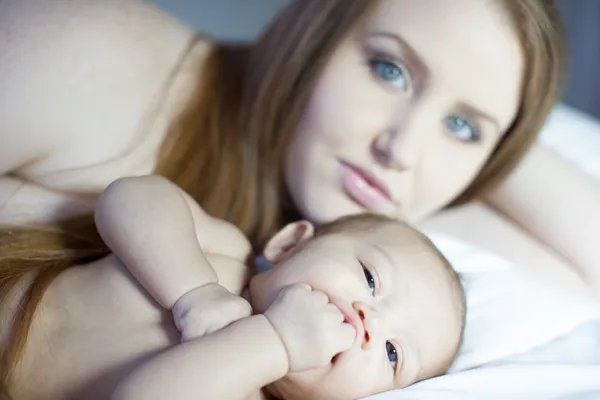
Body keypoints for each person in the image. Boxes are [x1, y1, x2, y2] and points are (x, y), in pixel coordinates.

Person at [2, 0, 598, 393]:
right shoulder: (98, 56)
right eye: (389, 69)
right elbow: (133, 200)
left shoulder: (399, 254)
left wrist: (502, 111)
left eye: (463, 129)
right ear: (317, 31)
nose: (402, 150)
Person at [2, 175, 465, 399]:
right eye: (370, 278)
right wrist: (194, 289)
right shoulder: (223, 252)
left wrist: (274, 344)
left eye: (392, 355)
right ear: (289, 244)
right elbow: (130, 197)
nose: (371, 321)